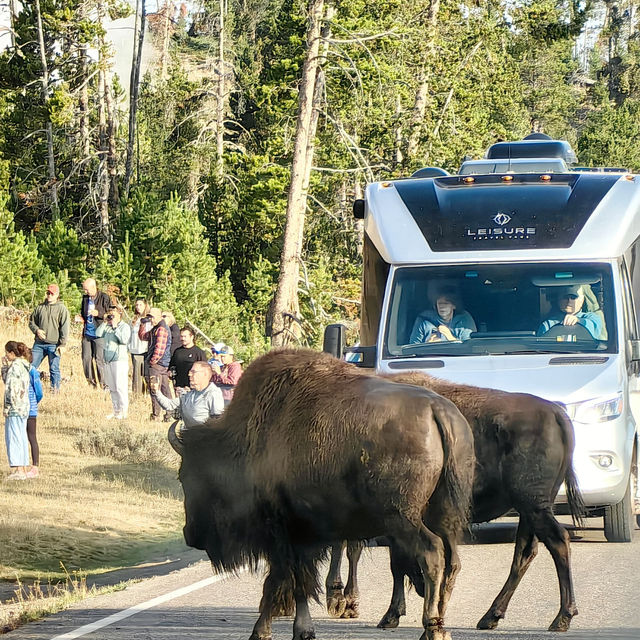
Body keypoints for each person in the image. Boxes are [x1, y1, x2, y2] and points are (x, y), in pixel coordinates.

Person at [150, 360, 224, 428]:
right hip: (189, 437)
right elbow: (169, 405)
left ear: (205, 374)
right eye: (190, 372)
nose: (189, 374)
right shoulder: (190, 394)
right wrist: (156, 391)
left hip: (205, 438)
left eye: (193, 372)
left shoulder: (213, 393)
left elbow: (218, 421)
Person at [28, 284, 70, 393]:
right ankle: (29, 389)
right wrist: (36, 330)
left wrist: (62, 344)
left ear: (57, 295)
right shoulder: (40, 307)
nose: (49, 295)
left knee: (54, 369)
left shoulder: (62, 309)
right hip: (39, 344)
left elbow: (65, 328)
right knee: (31, 366)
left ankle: (54, 391)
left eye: (52, 293)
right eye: (48, 293)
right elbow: (31, 322)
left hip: (54, 344)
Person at [1, 342, 33, 480]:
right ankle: (23, 468)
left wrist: (7, 407)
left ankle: (18, 469)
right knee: (21, 437)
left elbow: (10, 389)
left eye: (7, 353)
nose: (6, 355)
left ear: (12, 353)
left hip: (15, 407)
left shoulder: (15, 367)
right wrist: (4, 368)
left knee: (14, 437)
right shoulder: (24, 366)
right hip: (24, 406)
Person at [96, 305, 131, 420]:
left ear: (120, 314)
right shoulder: (108, 326)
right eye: (110, 314)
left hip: (119, 360)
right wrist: (105, 322)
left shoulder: (124, 326)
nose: (112, 316)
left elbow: (124, 340)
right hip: (108, 359)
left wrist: (116, 327)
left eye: (114, 314)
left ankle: (123, 411)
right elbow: (98, 333)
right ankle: (116, 411)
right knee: (112, 387)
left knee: (120, 386)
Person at [75, 278, 111, 388]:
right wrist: (80, 318)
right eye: (84, 290)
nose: (85, 292)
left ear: (93, 287)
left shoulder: (104, 297)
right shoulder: (85, 298)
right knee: (86, 358)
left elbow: (110, 314)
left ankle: (104, 383)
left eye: (87, 290)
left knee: (99, 359)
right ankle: (91, 382)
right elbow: (83, 313)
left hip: (99, 333)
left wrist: (98, 313)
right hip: (87, 333)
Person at [139, 307, 172, 421]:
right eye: (149, 317)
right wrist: (142, 325)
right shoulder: (156, 329)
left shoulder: (161, 329)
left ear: (159, 316)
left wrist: (152, 361)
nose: (150, 319)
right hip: (162, 364)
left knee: (154, 389)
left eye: (152, 317)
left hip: (157, 364)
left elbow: (159, 349)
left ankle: (156, 415)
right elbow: (143, 337)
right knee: (165, 390)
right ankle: (169, 414)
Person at [537, 284, 604, 339]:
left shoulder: (592, 318)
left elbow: (594, 328)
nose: (569, 301)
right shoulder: (548, 325)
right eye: (565, 297)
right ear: (558, 299)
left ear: (582, 300)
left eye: (573, 297)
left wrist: (578, 321)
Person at [410, 289, 477, 343]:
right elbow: (413, 348)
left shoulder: (464, 320)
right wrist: (428, 345)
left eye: (446, 303)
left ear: (454, 306)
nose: (442, 307)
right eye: (439, 303)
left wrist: (449, 336)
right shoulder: (424, 321)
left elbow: (468, 347)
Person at [169, 327, 207, 394]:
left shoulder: (199, 353)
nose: (183, 339)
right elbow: (171, 366)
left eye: (185, 336)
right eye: (181, 336)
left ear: (192, 337)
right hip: (179, 388)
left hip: (194, 389)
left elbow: (205, 371)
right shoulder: (177, 351)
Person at [27, 348, 43, 476]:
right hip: (23, 408)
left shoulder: (32, 371)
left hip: (30, 409)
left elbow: (39, 392)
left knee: (32, 437)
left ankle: (35, 465)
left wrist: (34, 402)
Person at [128, 298, 150, 395]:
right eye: (137, 305)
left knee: (145, 374)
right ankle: (137, 394)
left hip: (144, 350)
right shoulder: (135, 319)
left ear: (145, 306)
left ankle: (147, 393)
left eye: (140, 305)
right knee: (136, 374)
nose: (138, 307)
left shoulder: (148, 320)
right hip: (134, 349)